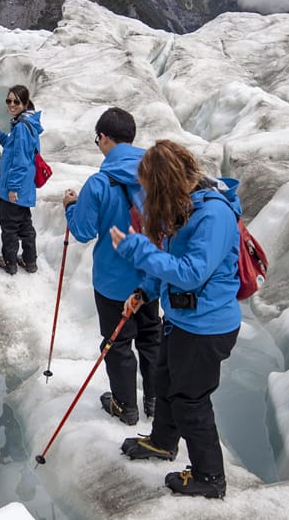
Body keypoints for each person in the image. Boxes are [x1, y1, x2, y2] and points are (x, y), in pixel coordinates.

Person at [109, 139, 242, 500]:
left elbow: (191, 272)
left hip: (207, 327)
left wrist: (137, 248)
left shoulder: (213, 215)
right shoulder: (185, 206)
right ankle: (163, 442)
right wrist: (143, 292)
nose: (148, 195)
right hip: (184, 319)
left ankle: (210, 477)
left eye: (151, 187)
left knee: (190, 400)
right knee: (165, 379)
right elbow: (171, 262)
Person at [62, 107, 160, 426]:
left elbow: (83, 231)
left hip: (112, 282)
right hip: (152, 277)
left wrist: (71, 207)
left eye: (98, 139)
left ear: (103, 138)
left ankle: (125, 406)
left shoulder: (100, 183)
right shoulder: (156, 176)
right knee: (151, 336)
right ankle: (155, 401)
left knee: (117, 344)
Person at [0, 85, 42, 275]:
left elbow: (21, 161)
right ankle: (29, 260)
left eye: (16, 101)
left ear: (25, 103)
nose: (11, 104)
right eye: (9, 100)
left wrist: (12, 187)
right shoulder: (26, 124)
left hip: (16, 186)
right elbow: (13, 148)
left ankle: (10, 262)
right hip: (24, 186)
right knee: (24, 223)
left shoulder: (22, 129)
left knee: (9, 225)